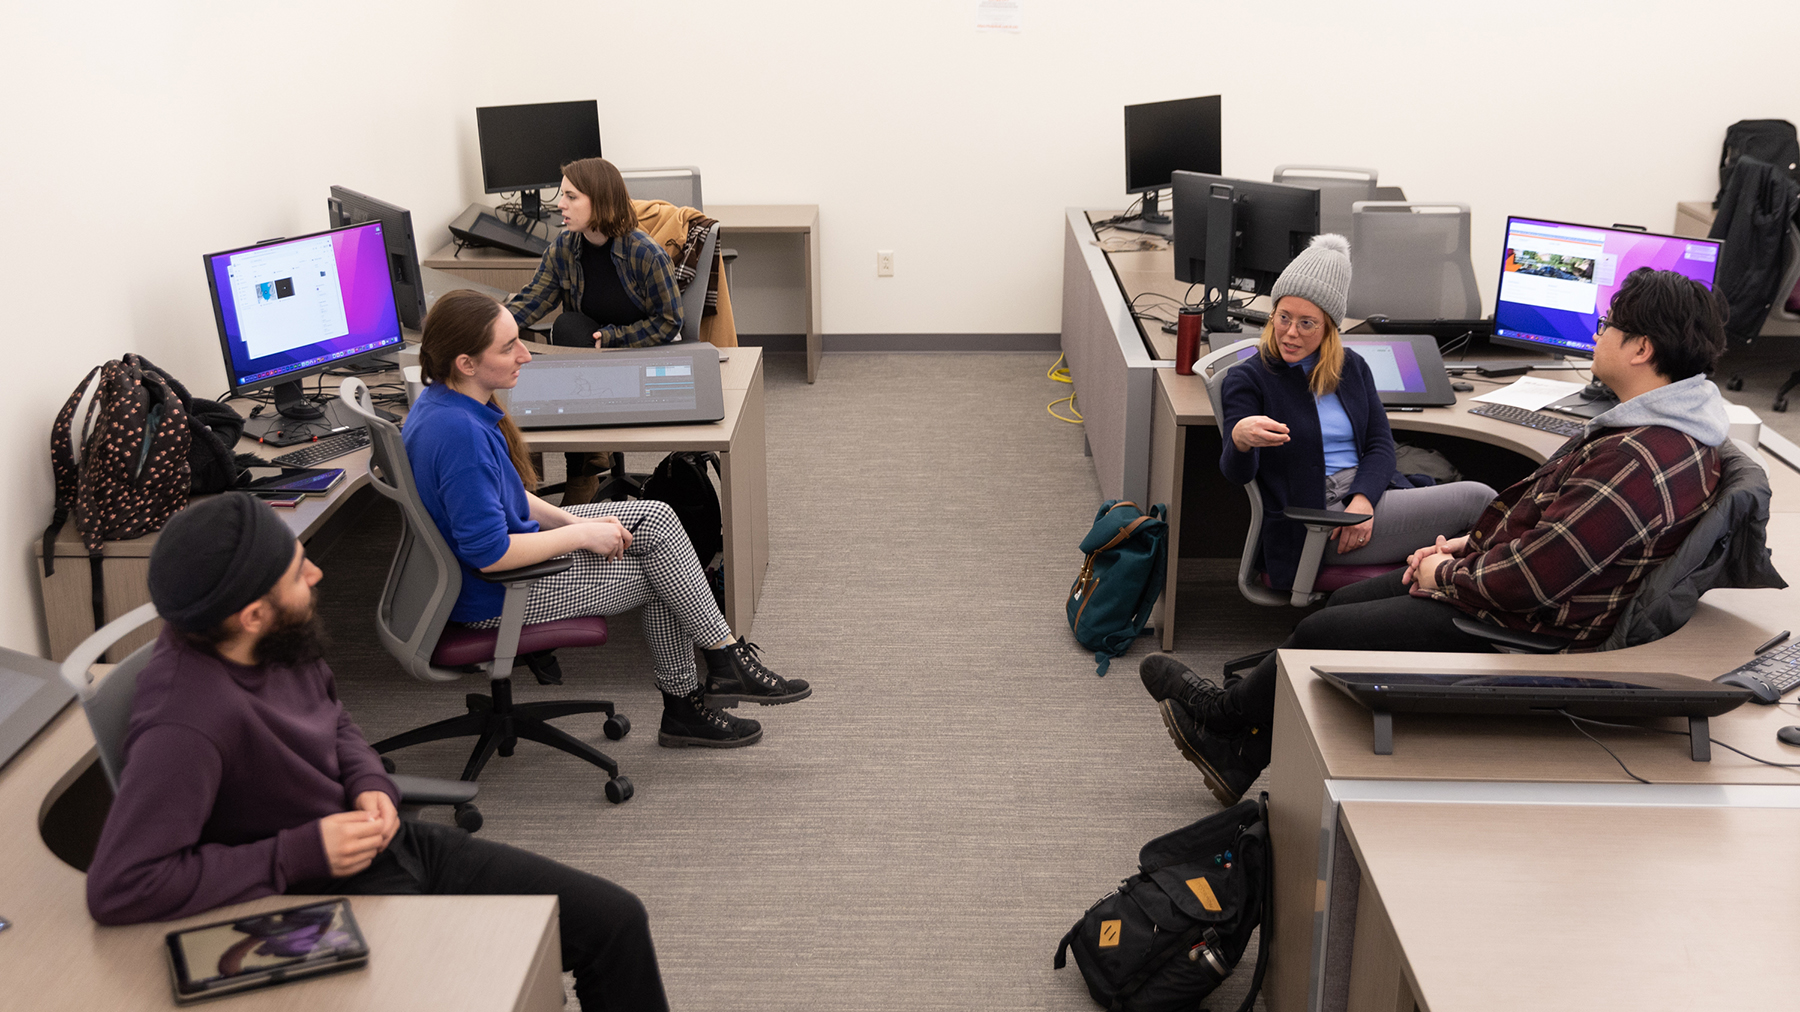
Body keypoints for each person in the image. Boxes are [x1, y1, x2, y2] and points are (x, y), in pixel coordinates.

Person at [1144, 267, 1733, 806]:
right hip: (1517, 591)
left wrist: (1444, 573)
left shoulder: (1635, 457)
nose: (1598, 335)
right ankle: (1239, 751)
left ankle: (1221, 719)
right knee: (1349, 602)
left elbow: (1534, 579)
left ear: (1641, 348)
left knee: (1327, 629)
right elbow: (1547, 532)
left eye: (1608, 325)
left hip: (1524, 626)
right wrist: (1466, 547)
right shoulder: (1658, 432)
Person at [84, 493, 669, 1012]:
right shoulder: (187, 723)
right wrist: (297, 852)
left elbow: (333, 719)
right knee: (502, 985)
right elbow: (124, 885)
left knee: (615, 922)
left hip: (382, 841)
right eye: (296, 572)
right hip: (316, 892)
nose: (315, 574)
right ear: (253, 614)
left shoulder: (273, 638)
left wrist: (369, 781)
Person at [405, 289, 808, 750]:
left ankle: (718, 664)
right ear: (466, 363)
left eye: (520, 341)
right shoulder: (460, 435)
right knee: (667, 574)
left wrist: (571, 525)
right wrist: (580, 536)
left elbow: (506, 494)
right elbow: (492, 554)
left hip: (496, 562)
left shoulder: (444, 402)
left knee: (657, 519)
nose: (524, 356)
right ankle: (699, 689)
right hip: (496, 594)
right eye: (507, 347)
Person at [1215, 233, 1497, 588]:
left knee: (1477, 513)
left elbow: (1380, 445)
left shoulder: (1351, 367)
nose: (1290, 333)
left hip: (1366, 498)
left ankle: (1461, 598)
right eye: (1283, 317)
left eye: (1307, 323)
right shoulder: (1249, 378)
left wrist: (1363, 501)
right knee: (1480, 501)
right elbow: (1235, 473)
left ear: (1329, 327)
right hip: (1319, 522)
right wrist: (1239, 440)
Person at [508, 156, 683, 503]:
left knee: (570, 335)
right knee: (566, 326)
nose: (561, 204)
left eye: (571, 196)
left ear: (599, 200)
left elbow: (669, 322)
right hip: (590, 360)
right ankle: (587, 461)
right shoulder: (564, 247)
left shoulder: (645, 253)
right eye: (563, 195)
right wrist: (482, 327)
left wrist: (617, 338)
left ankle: (584, 468)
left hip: (640, 353)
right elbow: (532, 301)